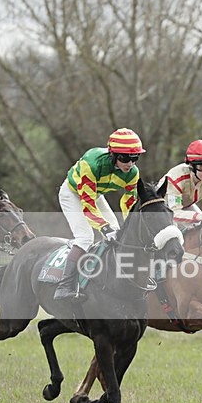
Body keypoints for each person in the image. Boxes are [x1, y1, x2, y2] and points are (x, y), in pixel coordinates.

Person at [53, 127, 146, 300]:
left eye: (135, 158)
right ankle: (64, 285)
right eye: (125, 158)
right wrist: (104, 228)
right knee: (85, 237)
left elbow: (128, 202)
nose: (130, 163)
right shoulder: (92, 164)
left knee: (118, 233)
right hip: (73, 193)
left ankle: (111, 280)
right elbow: (87, 204)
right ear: (113, 155)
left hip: (96, 194)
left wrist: (131, 226)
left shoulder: (133, 173)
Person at [157, 139, 202, 226]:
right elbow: (174, 213)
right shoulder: (176, 179)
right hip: (162, 209)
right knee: (176, 231)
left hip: (184, 206)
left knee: (201, 225)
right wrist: (197, 216)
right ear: (191, 165)